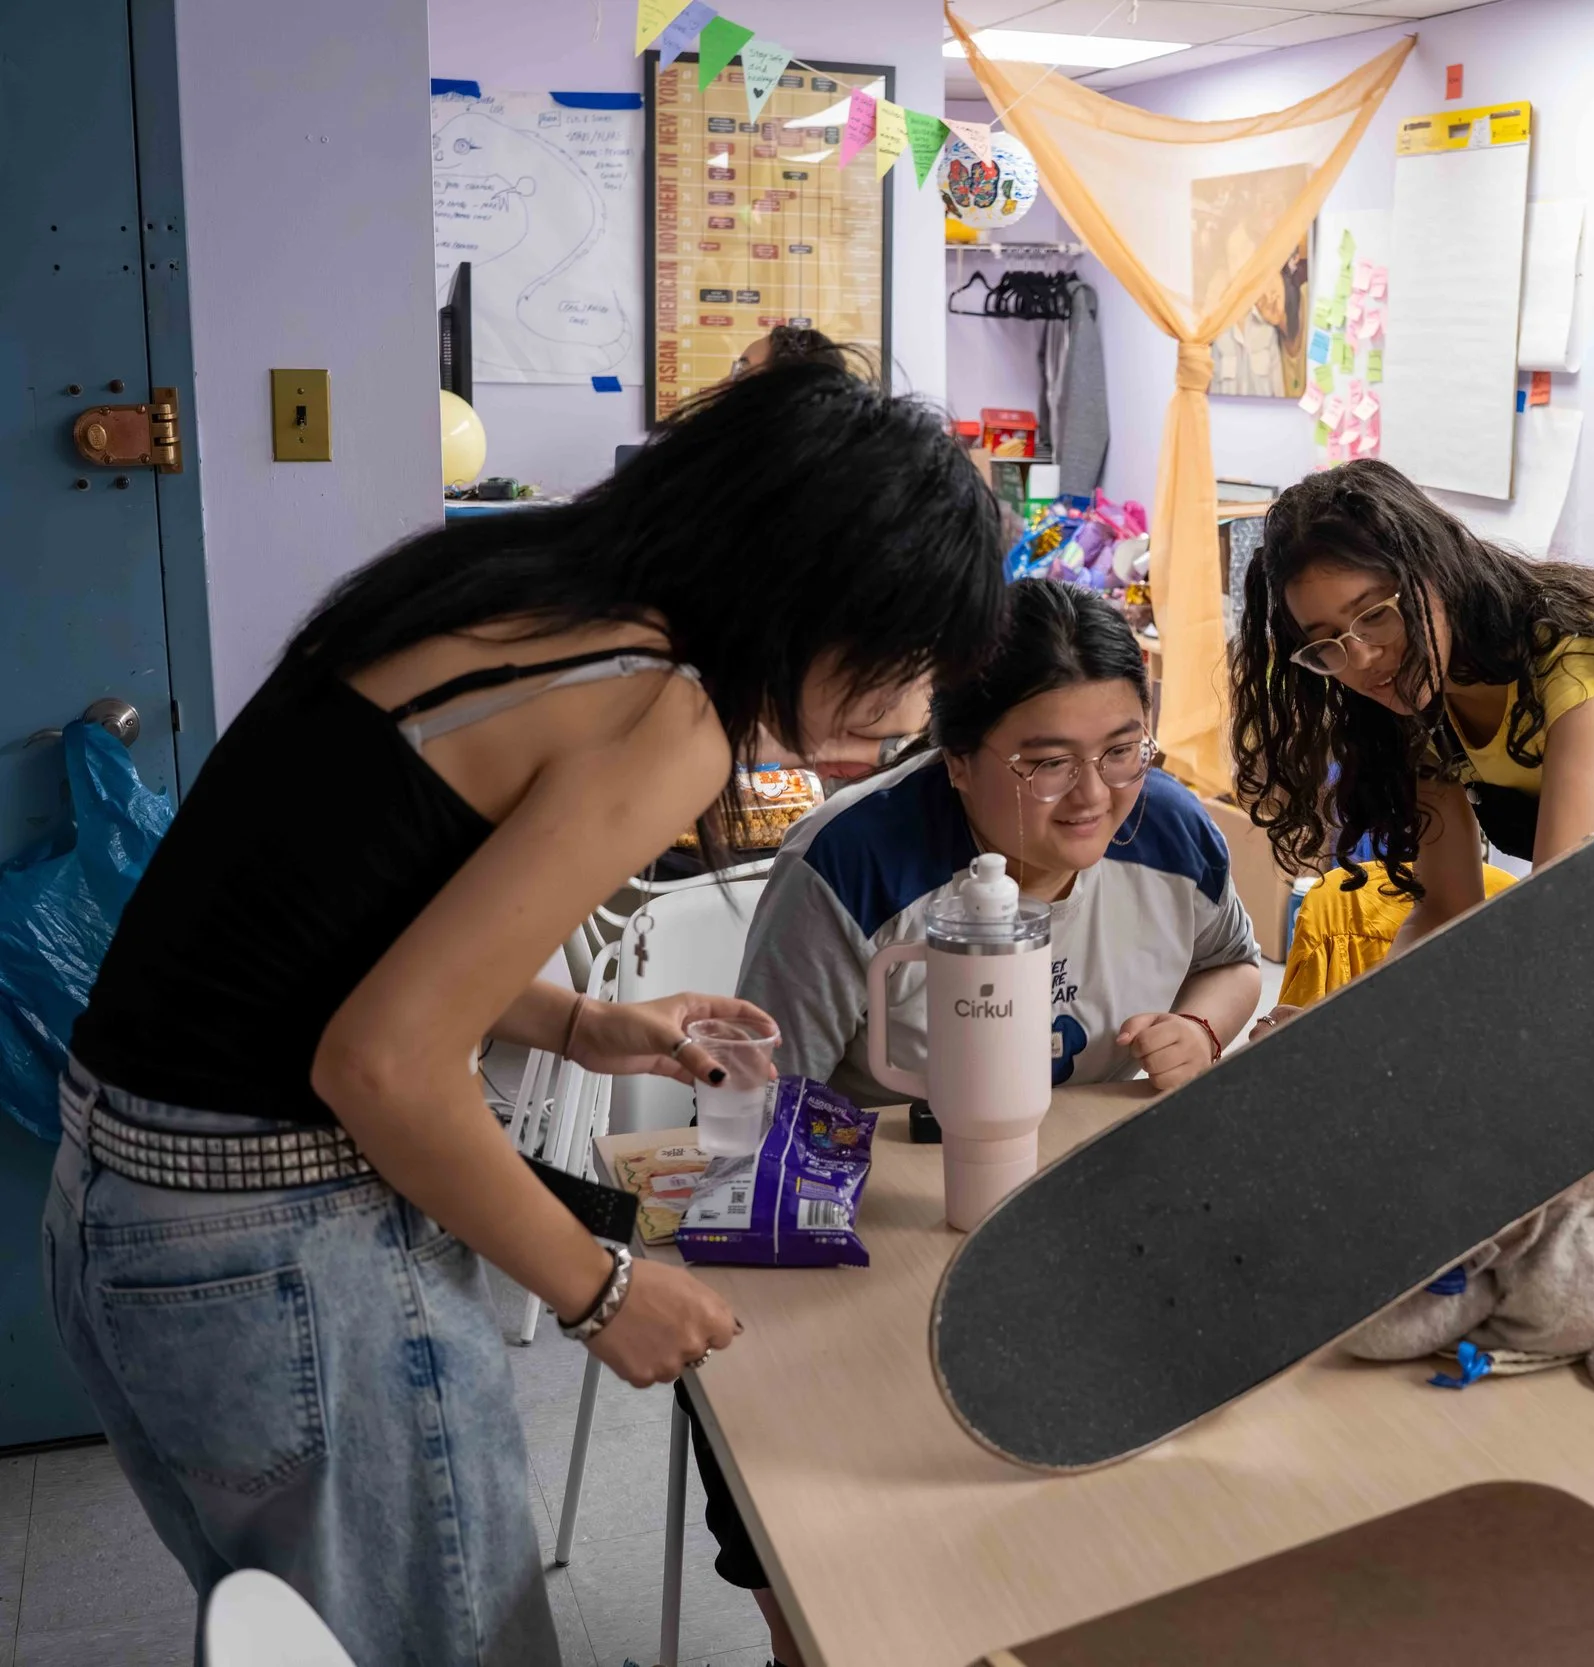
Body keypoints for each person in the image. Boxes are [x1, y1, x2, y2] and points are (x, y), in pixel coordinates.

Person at [45, 351, 1006, 1665]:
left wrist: (568, 1019)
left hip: (123, 1205)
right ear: (814, 589)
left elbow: (321, 917)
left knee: (299, 1634)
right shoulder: (667, 704)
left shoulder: (507, 592)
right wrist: (600, 1288)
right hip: (276, 1238)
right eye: (902, 660)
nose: (900, 716)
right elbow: (380, 1063)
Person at [691, 577, 1262, 1664]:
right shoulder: (854, 863)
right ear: (954, 757)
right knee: (827, 1503)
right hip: (888, 1242)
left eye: (1123, 748)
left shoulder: (1175, 832)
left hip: (1091, 1230)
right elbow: (758, 1101)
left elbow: (1231, 962)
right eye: (1043, 759)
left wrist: (1198, 1024)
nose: (1094, 794)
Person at [1232, 459, 1594, 961]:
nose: (1361, 658)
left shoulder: (1578, 656)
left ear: (1435, 571)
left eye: (1374, 614)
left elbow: (1559, 916)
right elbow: (1448, 908)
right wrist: (1360, 1020)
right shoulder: (1416, 704)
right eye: (1325, 643)